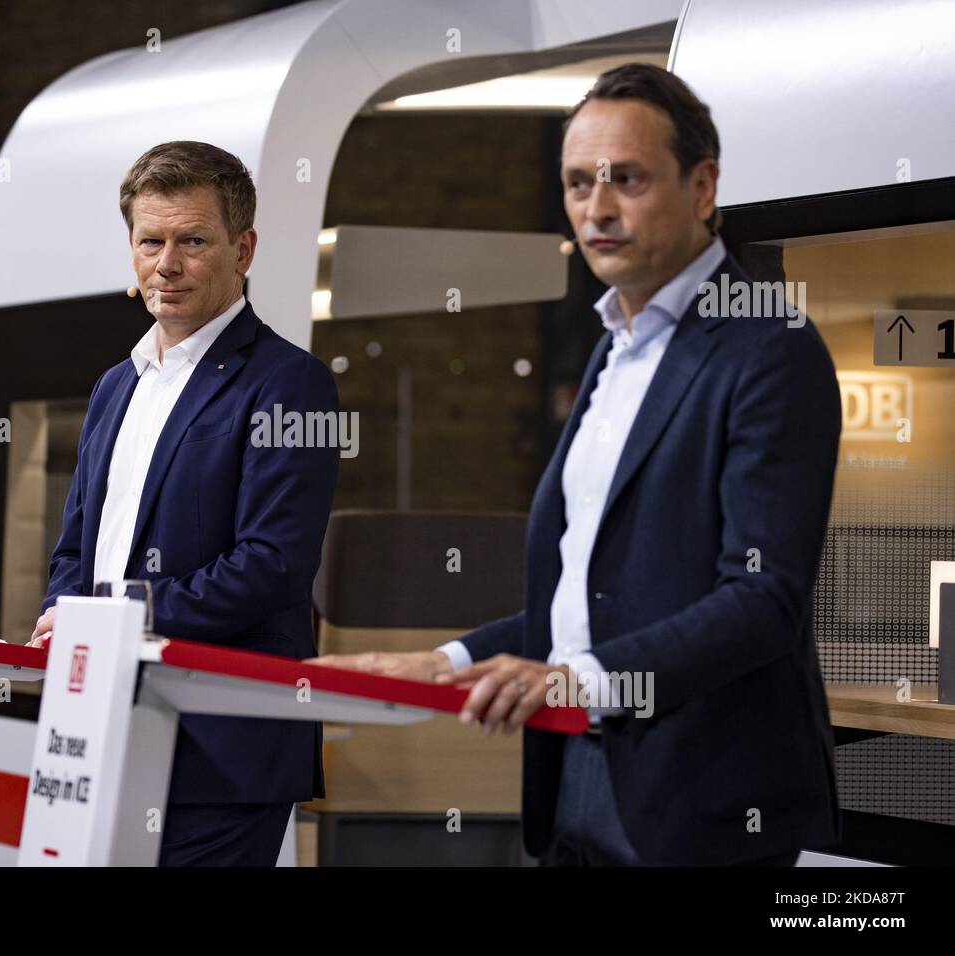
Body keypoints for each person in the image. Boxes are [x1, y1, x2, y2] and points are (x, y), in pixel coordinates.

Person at [314, 64, 841, 866]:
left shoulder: (769, 347)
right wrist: (446, 661)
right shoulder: (610, 351)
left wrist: (574, 682)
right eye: (576, 183)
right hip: (572, 782)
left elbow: (763, 601)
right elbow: (587, 603)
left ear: (702, 188)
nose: (596, 208)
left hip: (703, 807)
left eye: (626, 179)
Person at [30, 141, 339, 865]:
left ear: (244, 247)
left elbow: (272, 566)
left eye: (192, 241)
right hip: (98, 729)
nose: (165, 264)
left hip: (221, 753)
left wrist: (112, 621)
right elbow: (78, 544)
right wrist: (65, 616)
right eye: (150, 241)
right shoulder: (117, 384)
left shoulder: (291, 386)